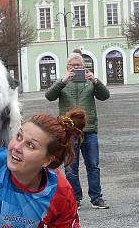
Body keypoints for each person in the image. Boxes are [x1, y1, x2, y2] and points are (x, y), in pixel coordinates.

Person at [45, 53, 111, 209]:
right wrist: (62, 82)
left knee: (93, 165)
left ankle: (96, 198)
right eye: (72, 66)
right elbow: (49, 96)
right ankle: (74, 198)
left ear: (83, 66)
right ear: (67, 67)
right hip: (69, 131)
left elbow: (105, 96)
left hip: (89, 129)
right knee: (70, 167)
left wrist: (95, 81)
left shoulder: (90, 82)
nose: (75, 68)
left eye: (78, 65)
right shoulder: (62, 83)